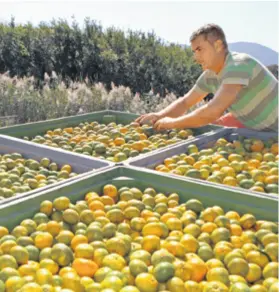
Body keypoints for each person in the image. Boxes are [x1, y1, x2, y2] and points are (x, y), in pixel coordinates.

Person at [136, 23, 278, 132]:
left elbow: (213, 111)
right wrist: (158, 116)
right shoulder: (210, 76)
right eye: (194, 51)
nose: (195, 57)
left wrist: (172, 123)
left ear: (218, 45)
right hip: (264, 132)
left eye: (199, 49)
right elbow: (185, 102)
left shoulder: (238, 64)